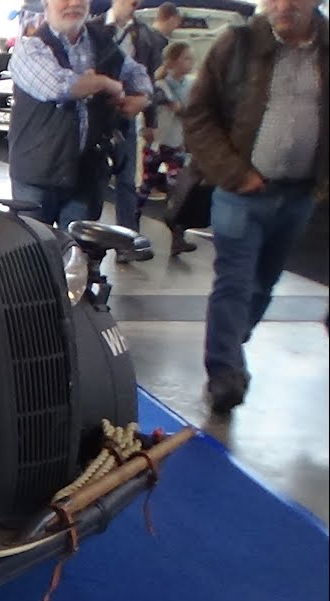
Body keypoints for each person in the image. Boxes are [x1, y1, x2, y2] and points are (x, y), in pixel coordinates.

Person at [181, 0, 328, 413]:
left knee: (264, 283)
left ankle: (230, 340)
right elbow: (197, 113)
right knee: (235, 280)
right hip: (240, 192)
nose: (281, 6)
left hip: (299, 194)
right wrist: (234, 172)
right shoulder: (239, 43)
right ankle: (224, 372)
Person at [7, 0, 153, 229]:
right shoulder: (30, 47)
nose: (74, 3)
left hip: (86, 174)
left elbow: (136, 72)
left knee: (79, 254)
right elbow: (58, 87)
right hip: (36, 175)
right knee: (32, 254)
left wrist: (142, 97)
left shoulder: (102, 42)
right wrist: (106, 83)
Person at [90, 0, 165, 254]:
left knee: (126, 178)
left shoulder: (145, 35)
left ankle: (127, 240)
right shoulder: (93, 28)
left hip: (127, 114)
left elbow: (149, 78)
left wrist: (150, 118)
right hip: (95, 114)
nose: (133, 4)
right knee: (94, 177)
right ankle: (88, 239)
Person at [138, 41, 196, 254]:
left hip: (175, 143)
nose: (191, 63)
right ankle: (130, 225)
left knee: (177, 189)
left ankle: (177, 237)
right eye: (187, 58)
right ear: (173, 62)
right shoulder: (160, 86)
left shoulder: (189, 85)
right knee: (146, 186)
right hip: (157, 143)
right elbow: (178, 109)